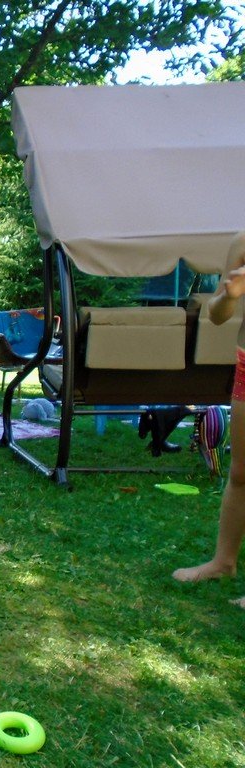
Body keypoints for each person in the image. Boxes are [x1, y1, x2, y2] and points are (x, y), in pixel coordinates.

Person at [173, 231, 245, 607]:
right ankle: (223, 562)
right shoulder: (242, 242)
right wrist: (229, 295)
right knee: (241, 473)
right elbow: (217, 315)